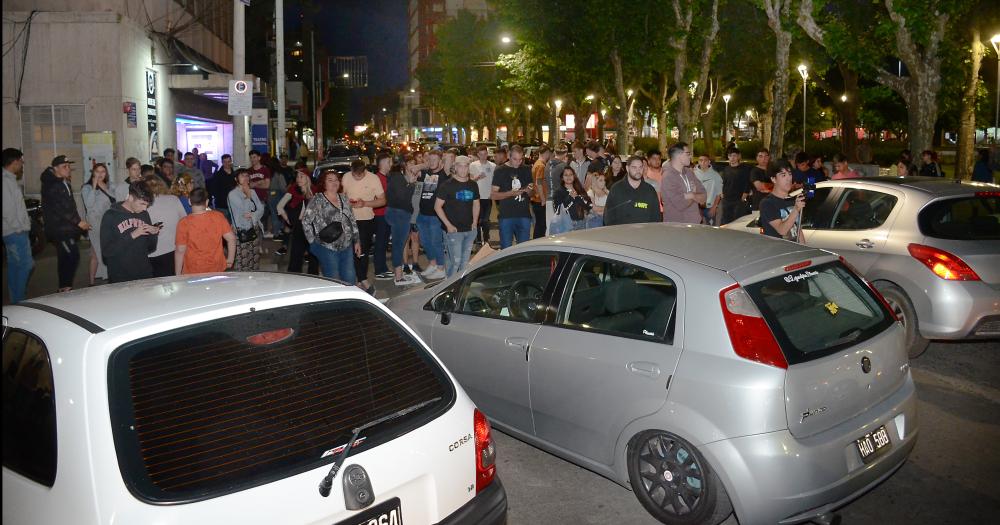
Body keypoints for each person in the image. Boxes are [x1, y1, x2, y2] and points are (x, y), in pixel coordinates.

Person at [301, 170, 362, 283]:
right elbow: (306, 221)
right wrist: (312, 242)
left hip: (347, 246)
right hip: (327, 247)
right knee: (333, 280)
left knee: (350, 278)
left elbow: (352, 220)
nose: (334, 183)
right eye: (330, 180)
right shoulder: (318, 199)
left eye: (336, 180)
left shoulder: (343, 198)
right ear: (324, 183)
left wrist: (357, 241)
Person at [42, 155, 90, 292]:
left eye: (69, 166)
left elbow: (70, 207)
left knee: (67, 257)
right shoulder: (52, 185)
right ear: (55, 168)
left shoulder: (63, 182)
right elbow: (61, 208)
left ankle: (64, 287)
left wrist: (77, 222)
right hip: (60, 230)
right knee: (71, 256)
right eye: (64, 167)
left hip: (67, 228)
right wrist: (79, 222)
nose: (68, 169)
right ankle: (65, 288)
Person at [100, 179, 159, 283]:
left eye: (147, 205)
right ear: (131, 198)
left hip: (144, 273)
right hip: (120, 276)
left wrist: (154, 234)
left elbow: (150, 248)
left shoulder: (144, 214)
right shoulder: (110, 216)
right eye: (142, 204)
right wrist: (132, 235)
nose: (145, 208)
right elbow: (107, 251)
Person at [342, 159, 387, 295]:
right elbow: (341, 196)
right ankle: (358, 280)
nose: (356, 178)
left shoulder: (373, 179)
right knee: (350, 251)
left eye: (359, 176)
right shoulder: (346, 177)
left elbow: (382, 200)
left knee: (362, 252)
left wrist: (365, 203)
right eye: (354, 175)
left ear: (364, 171)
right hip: (348, 219)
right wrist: (346, 202)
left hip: (365, 220)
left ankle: (362, 279)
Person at [435, 155, 480, 277]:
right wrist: (448, 225)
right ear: (455, 167)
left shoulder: (473, 185)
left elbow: (476, 204)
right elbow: (437, 206)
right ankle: (449, 286)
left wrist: (475, 222)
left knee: (464, 263)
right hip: (453, 231)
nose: (463, 169)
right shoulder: (447, 185)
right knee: (455, 262)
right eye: (460, 166)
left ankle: (459, 287)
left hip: (470, 230)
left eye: (466, 166)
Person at [174, 187, 236, 274]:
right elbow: (231, 238)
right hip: (217, 267)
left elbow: (180, 250)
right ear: (207, 202)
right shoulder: (218, 216)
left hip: (193, 270)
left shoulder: (184, 223)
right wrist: (230, 260)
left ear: (189, 201)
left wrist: (177, 273)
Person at [2, 148, 32, 303]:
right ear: (14, 162)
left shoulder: (10, 179)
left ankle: (16, 299)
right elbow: (7, 210)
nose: (22, 164)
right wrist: (19, 229)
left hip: (12, 231)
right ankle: (19, 300)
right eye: (21, 161)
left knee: (15, 266)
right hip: (15, 232)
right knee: (25, 265)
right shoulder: (5, 180)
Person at [276, 168, 319, 275]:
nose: (298, 179)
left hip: (313, 227)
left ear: (307, 178)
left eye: (301, 176)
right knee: (296, 256)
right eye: (297, 176)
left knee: (314, 255)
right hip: (299, 226)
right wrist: (288, 220)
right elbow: (279, 207)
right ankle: (295, 279)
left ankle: (314, 279)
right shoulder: (293, 190)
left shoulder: (315, 191)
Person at [491, 144, 534, 248]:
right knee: (506, 249)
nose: (518, 162)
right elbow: (493, 195)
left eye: (520, 159)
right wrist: (511, 193)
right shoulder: (500, 170)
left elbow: (532, 192)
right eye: (515, 159)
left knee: (523, 250)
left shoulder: (527, 169)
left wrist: (529, 191)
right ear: (509, 156)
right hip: (506, 216)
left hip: (524, 215)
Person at [144, 175, 188, 277]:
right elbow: (185, 221)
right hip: (173, 249)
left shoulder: (143, 204)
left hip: (151, 253)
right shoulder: (174, 199)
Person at [386, 157, 419, 285]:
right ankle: (399, 276)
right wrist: (411, 184)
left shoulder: (400, 177)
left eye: (414, 163)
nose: (413, 166)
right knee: (399, 245)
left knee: (399, 244)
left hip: (401, 213)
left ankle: (399, 274)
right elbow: (402, 198)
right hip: (399, 214)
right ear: (404, 165)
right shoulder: (398, 178)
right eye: (410, 163)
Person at [81, 163, 116, 284]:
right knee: (96, 252)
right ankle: (91, 282)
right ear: (93, 173)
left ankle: (109, 277)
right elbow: (89, 204)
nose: (100, 174)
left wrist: (105, 188)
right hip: (94, 222)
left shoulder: (110, 185)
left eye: (103, 172)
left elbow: (116, 200)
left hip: (108, 222)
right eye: (97, 171)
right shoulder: (87, 188)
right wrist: (95, 186)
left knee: (108, 250)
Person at [604, 155, 662, 225]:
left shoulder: (650, 190)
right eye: (634, 167)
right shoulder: (616, 189)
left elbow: (656, 217)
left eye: (640, 167)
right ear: (627, 168)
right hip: (622, 233)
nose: (638, 170)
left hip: (644, 233)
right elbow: (608, 217)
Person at [416, 150, 448, 278]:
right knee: (425, 242)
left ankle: (441, 268)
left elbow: (450, 158)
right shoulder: (424, 174)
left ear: (441, 161)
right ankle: (433, 264)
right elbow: (412, 170)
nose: (432, 162)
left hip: (436, 216)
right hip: (422, 214)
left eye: (435, 160)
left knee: (436, 242)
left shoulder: (445, 175)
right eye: (430, 160)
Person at [228, 168, 265, 271]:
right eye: (242, 176)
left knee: (254, 259)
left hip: (254, 228)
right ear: (236, 179)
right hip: (241, 230)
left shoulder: (253, 191)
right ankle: (242, 285)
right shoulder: (233, 194)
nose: (245, 178)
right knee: (242, 262)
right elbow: (244, 210)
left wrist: (253, 215)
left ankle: (254, 283)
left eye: (246, 176)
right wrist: (248, 196)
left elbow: (261, 209)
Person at [661, 142, 707, 224]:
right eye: (688, 154)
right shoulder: (668, 176)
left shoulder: (689, 172)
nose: (690, 156)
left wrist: (690, 195)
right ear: (679, 156)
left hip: (695, 223)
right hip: (677, 227)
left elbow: (704, 196)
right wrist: (694, 194)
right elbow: (680, 204)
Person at [760, 159, 805, 242]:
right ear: (773, 179)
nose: (788, 178)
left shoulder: (792, 200)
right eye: (783, 175)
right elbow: (782, 230)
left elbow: (798, 230)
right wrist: (796, 210)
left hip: (795, 251)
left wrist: (805, 249)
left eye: (790, 174)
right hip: (779, 252)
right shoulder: (767, 203)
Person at [552, 166, 593, 232]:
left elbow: (589, 205)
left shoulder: (579, 189)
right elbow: (558, 210)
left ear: (574, 176)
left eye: (571, 174)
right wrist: (570, 198)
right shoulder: (558, 192)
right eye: (566, 175)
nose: (569, 177)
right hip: (567, 225)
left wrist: (579, 199)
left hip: (582, 224)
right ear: (562, 178)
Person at [371, 153, 392, 279]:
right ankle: (379, 270)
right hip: (380, 215)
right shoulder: (377, 178)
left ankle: (383, 267)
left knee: (384, 243)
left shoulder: (385, 177)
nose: (391, 165)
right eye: (389, 162)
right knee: (380, 243)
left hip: (386, 214)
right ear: (382, 163)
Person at [470, 144, 496, 246]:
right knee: (477, 220)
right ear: (478, 155)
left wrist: (493, 193)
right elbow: (470, 180)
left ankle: (486, 238)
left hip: (488, 197)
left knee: (485, 220)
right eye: (481, 154)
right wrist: (477, 177)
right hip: (477, 197)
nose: (483, 156)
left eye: (485, 154)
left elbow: (495, 181)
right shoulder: (473, 165)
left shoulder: (492, 166)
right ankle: (478, 239)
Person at [719, 148, 752, 225]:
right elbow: (724, 182)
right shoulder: (726, 169)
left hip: (739, 199)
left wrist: (745, 193)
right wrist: (722, 193)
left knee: (738, 222)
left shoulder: (745, 169)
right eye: (730, 156)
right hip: (726, 199)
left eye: (734, 156)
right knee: (725, 222)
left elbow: (748, 182)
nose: (732, 158)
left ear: (739, 156)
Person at [247, 150, 274, 236]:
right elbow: (248, 185)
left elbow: (267, 185)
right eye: (251, 157)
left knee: (262, 220)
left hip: (262, 199)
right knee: (253, 221)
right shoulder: (248, 171)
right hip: (251, 199)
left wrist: (254, 184)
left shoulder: (265, 170)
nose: (252, 159)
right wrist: (259, 182)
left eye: (254, 157)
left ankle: (262, 239)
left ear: (259, 158)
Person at [694, 154, 723, 225]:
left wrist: (714, 207)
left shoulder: (715, 175)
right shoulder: (693, 174)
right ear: (698, 162)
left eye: (705, 160)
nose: (703, 162)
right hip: (696, 207)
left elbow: (719, 193)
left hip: (709, 207)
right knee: (697, 229)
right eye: (701, 160)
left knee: (710, 229)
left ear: (709, 162)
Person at [530, 146, 552, 238]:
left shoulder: (537, 164)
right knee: (541, 225)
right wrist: (543, 199)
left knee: (539, 224)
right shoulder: (541, 166)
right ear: (546, 153)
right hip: (539, 200)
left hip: (536, 199)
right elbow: (538, 182)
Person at [209, 154, 237, 221]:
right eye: (225, 162)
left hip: (235, 205)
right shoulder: (217, 175)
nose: (227, 163)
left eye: (229, 161)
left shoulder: (236, 174)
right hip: (222, 205)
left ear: (231, 161)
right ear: (222, 162)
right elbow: (213, 190)